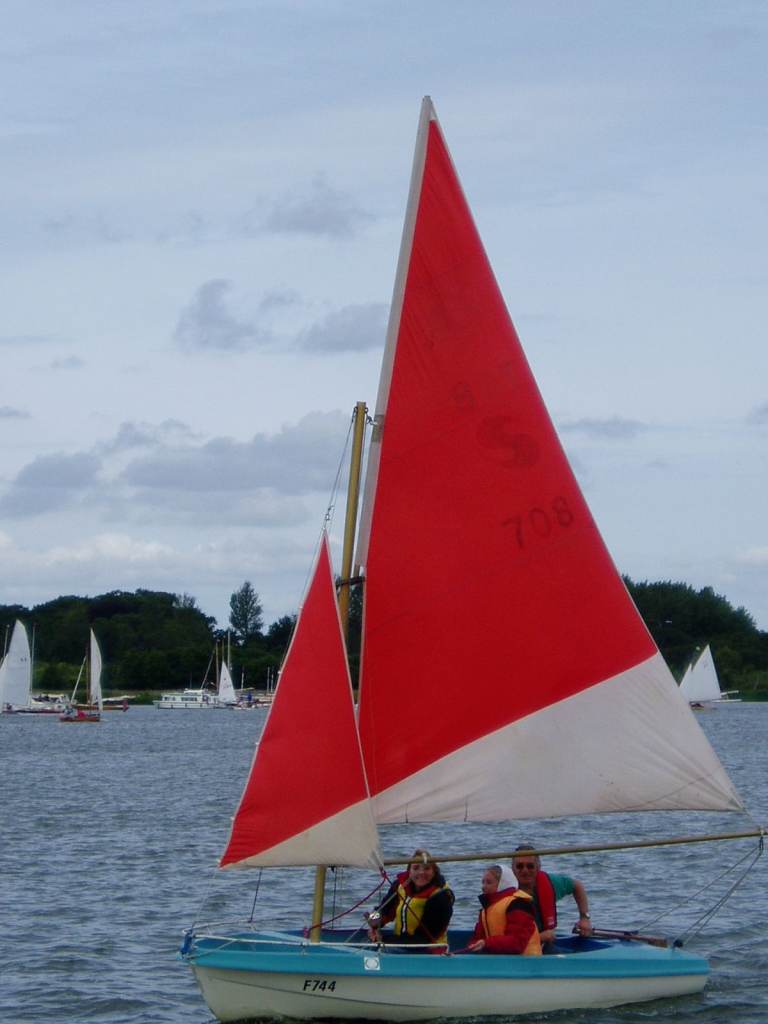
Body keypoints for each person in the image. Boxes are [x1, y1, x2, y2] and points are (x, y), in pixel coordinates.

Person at [366, 848, 454, 952]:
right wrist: (373, 923)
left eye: (427, 868)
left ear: (434, 871)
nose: (421, 872)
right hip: (399, 945)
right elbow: (383, 910)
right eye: (416, 868)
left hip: (427, 951)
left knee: (376, 950)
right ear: (409, 871)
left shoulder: (441, 897)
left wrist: (383, 940)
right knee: (367, 944)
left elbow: (424, 938)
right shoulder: (400, 886)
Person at [512, 844, 593, 947]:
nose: (525, 870)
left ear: (538, 867)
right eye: (519, 866)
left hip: (545, 947)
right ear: (512, 868)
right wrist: (540, 937)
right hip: (516, 951)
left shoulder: (551, 883)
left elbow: (577, 886)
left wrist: (584, 918)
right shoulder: (503, 888)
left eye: (530, 866)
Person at [466, 865, 541, 955]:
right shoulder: (486, 909)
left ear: (502, 883)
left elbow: (516, 943)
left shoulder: (519, 904)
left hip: (527, 962)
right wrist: (474, 945)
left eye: (489, 883)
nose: (483, 887)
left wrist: (487, 943)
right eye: (483, 882)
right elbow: (478, 938)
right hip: (501, 961)